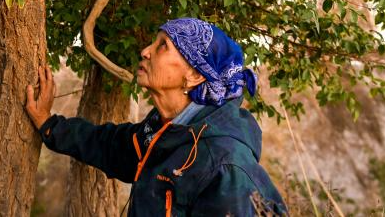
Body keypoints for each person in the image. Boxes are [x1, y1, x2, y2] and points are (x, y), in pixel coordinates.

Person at [25, 17, 288, 216]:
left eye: (163, 46)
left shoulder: (224, 166)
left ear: (195, 75)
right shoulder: (163, 132)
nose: (145, 51)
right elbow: (107, 145)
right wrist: (48, 124)